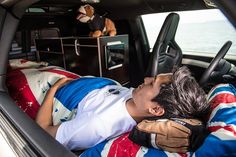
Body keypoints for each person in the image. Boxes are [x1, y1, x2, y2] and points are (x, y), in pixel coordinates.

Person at [35, 66, 210, 151]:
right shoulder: (136, 99)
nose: (147, 78)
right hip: (81, 83)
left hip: (52, 88)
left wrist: (53, 89)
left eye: (153, 82)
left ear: (156, 110)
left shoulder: (97, 124)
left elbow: (42, 132)